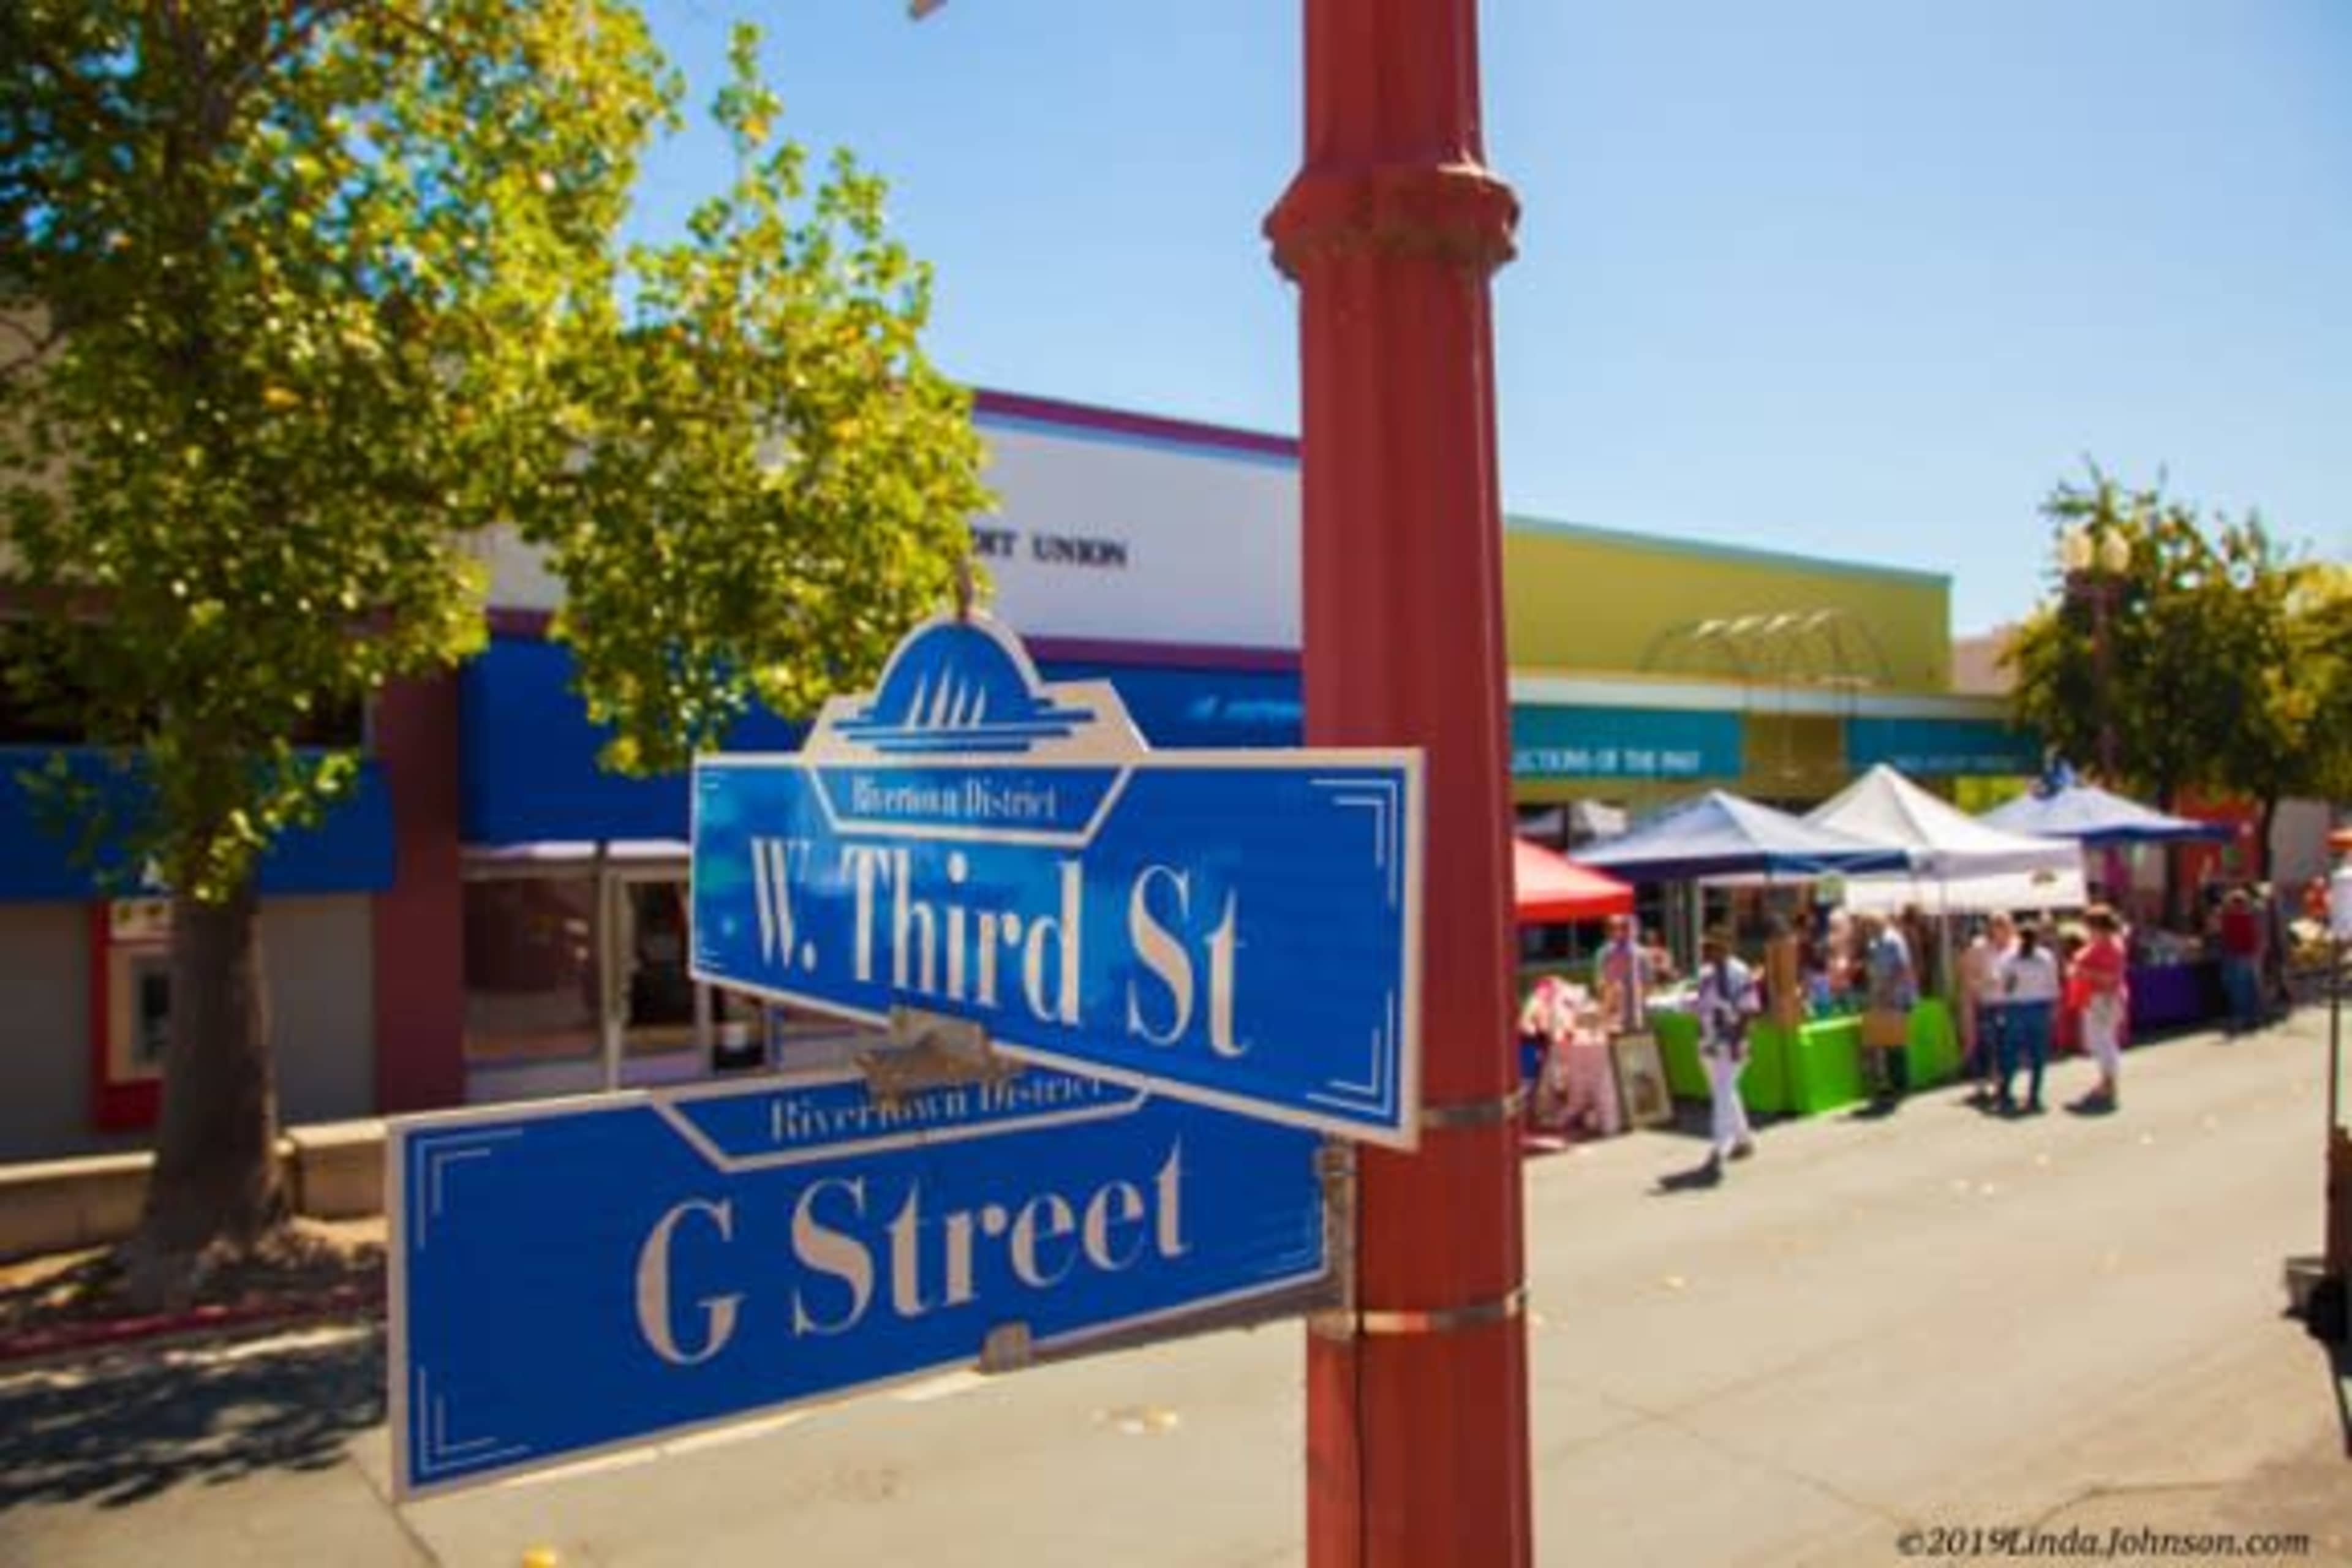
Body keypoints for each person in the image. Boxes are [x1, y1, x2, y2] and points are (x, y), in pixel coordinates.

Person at [1696, 929, 1760, 1167]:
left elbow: (1749, 1009)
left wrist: (1738, 1041)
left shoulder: (1740, 972)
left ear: (1727, 947)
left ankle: (1720, 1146)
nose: (1708, 951)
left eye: (1713, 947)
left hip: (1732, 1040)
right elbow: (1702, 1009)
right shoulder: (1705, 973)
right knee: (1723, 1091)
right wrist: (1703, 1039)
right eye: (1707, 947)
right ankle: (1744, 1139)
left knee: (1723, 1091)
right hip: (1710, 1040)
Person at [1996, 921, 2060, 1114]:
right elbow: (2053, 985)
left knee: (2011, 1053)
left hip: (2016, 1007)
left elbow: (2005, 987)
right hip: (2040, 1007)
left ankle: (2006, 1091)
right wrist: (2053, 1009)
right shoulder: (2046, 957)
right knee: (2038, 1054)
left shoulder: (2009, 957)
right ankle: (2034, 1095)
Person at [2074, 905, 2130, 1108]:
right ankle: (2106, 1081)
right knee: (2099, 1041)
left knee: (2103, 1041)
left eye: (2089, 926)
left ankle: (2109, 1082)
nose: (2087, 930)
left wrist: (2085, 972)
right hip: (2096, 997)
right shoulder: (2102, 944)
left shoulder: (2111, 946)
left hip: (2104, 998)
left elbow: (2111, 977)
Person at [1860, 912, 1918, 1103]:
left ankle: (1901, 1084)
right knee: (1885, 1041)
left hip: (1896, 997)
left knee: (1895, 1043)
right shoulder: (1874, 943)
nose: (1868, 930)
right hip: (1881, 997)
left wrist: (1887, 989)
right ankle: (1890, 1084)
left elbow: (1902, 968)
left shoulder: (1894, 940)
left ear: (1880, 923)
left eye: (1870, 926)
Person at [1961, 913, 2017, 1100]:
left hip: (2010, 1004)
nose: (2002, 931)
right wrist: (1985, 983)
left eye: (2006, 926)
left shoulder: (2016, 947)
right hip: (1988, 1003)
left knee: (2006, 1046)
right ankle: (1981, 1084)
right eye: (1998, 926)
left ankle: (2003, 1082)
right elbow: (1967, 977)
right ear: (1991, 929)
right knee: (1985, 1045)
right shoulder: (1979, 948)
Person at [1593, 914, 1653, 1035]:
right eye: (1613, 928)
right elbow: (1600, 985)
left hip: (1636, 1015)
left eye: (1624, 927)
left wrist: (1640, 1004)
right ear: (1607, 931)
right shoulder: (1604, 954)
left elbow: (1648, 985)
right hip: (1612, 1017)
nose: (1618, 932)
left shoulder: (1641, 954)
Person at [2216, 888, 2261, 1035]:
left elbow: (2253, 938)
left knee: (2240, 988)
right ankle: (2250, 1017)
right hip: (2235, 955)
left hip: (2242, 955)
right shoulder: (2229, 917)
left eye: (2238, 902)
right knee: (2239, 986)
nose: (2235, 905)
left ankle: (2244, 1017)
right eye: (2234, 902)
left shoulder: (2245, 917)